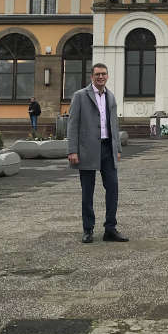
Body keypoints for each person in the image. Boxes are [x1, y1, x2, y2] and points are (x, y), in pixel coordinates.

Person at [67, 62, 127, 243]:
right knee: (88, 191)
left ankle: (110, 228)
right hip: (86, 150)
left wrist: (117, 148)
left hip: (107, 148)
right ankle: (88, 229)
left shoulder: (111, 97)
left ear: (107, 76)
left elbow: (114, 125)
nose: (101, 77)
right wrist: (72, 150)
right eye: (98, 74)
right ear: (92, 76)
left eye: (104, 74)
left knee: (113, 188)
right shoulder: (80, 96)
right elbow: (73, 124)